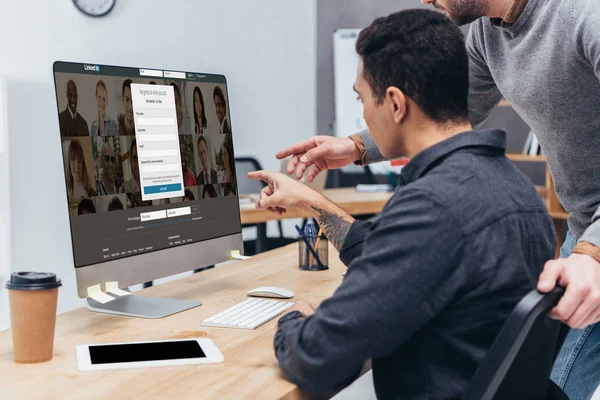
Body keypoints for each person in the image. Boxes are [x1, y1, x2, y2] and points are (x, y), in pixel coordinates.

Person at [278, 1, 600, 398]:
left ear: (394, 103)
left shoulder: (587, 17)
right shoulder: (515, 195)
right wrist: (351, 152)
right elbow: (447, 106)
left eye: (362, 100)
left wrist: (292, 318)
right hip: (585, 223)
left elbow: (321, 355)